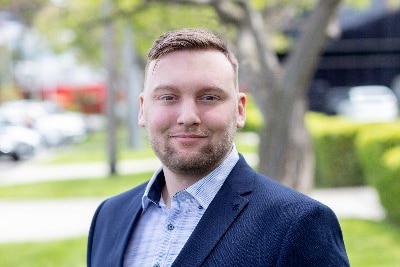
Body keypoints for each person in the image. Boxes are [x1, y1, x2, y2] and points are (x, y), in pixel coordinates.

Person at [87, 28, 349, 267]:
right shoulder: (109, 217)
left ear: (239, 109)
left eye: (209, 97)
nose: (188, 116)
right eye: (168, 97)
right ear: (143, 109)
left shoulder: (298, 224)